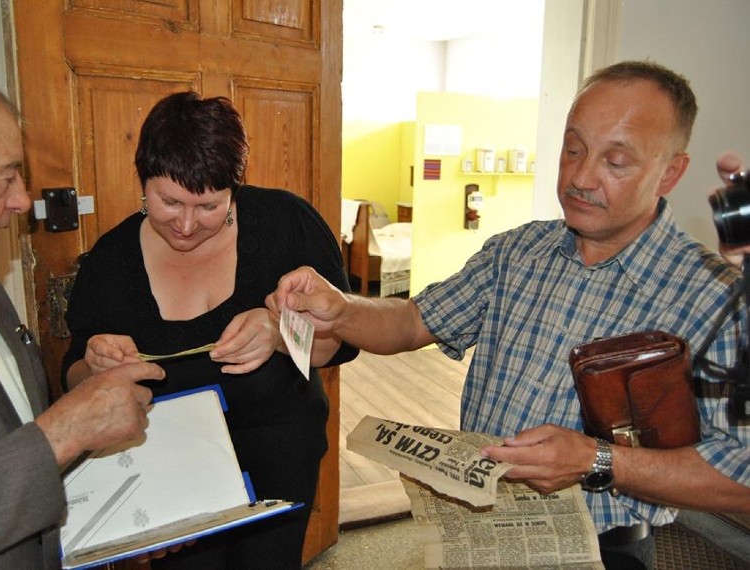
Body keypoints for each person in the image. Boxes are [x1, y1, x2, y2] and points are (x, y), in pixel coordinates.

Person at [268, 60, 750, 569]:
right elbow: (413, 320)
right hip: (477, 526)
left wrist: (597, 460)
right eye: (573, 149)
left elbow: (741, 477)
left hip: (601, 549)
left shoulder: (715, 297)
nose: (581, 177)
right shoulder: (516, 252)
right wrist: (342, 310)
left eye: (616, 161)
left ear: (670, 171)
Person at [61, 91, 358, 568]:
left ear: (234, 189)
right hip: (169, 463)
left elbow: (340, 343)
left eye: (207, 207)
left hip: (280, 449)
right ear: (143, 183)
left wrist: (280, 334)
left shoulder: (287, 224)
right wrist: (93, 367)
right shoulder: (112, 260)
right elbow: (72, 376)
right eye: (168, 201)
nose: (184, 224)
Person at [0, 67, 167, 569]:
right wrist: (67, 428)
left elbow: (15, 442)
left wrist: (131, 511)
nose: (23, 199)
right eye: (6, 177)